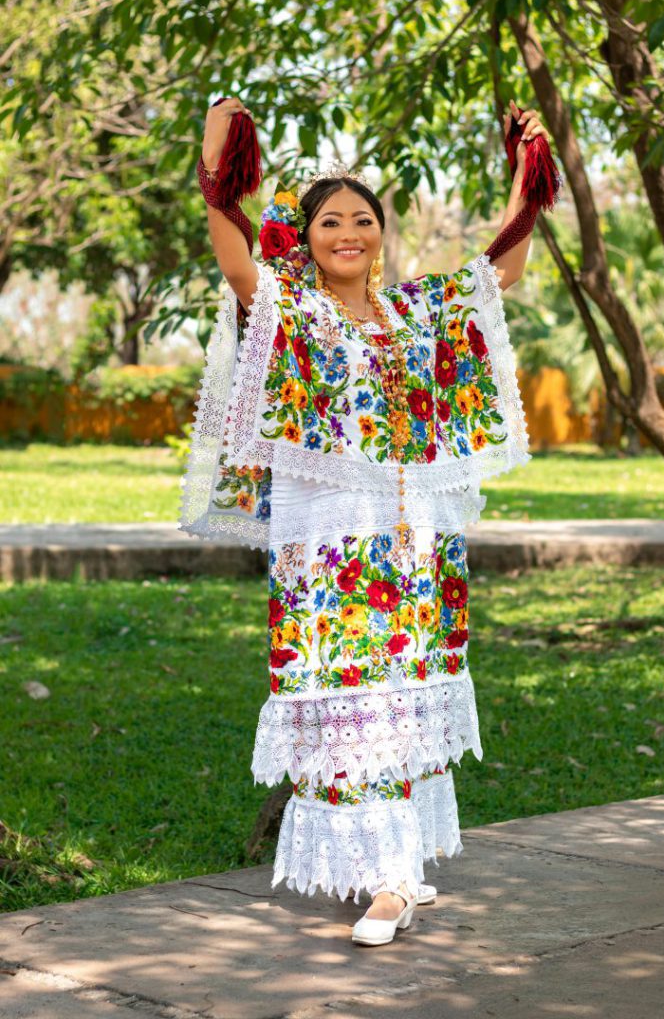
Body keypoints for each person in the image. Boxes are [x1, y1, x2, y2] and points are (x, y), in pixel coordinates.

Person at [180, 95, 556, 946]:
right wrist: (216, 169)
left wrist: (524, 177)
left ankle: (404, 864)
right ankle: (384, 881)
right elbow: (237, 266)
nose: (347, 232)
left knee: (407, 697)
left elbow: (498, 275)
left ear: (380, 233)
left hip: (416, 543)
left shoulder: (409, 314)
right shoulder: (289, 311)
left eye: (362, 219)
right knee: (350, 691)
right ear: (305, 238)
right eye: (329, 222)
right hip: (328, 547)